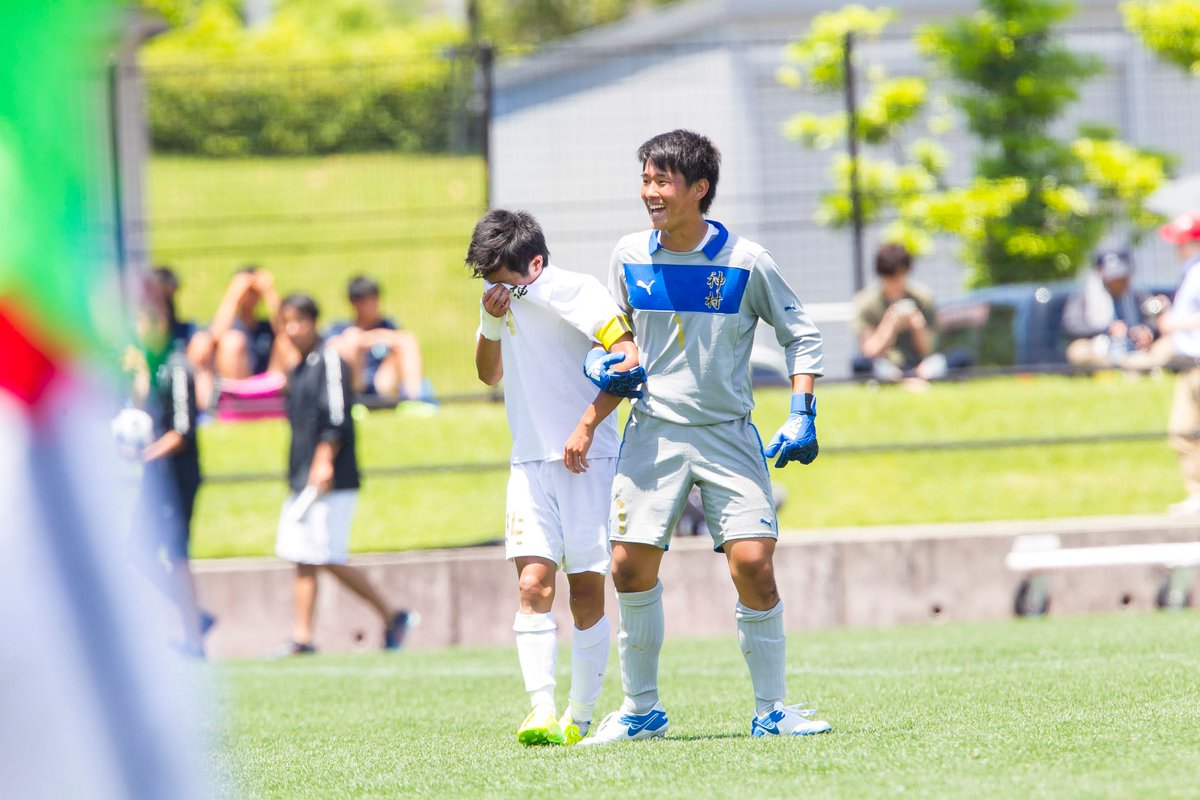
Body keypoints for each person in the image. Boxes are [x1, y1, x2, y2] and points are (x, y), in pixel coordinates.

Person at [579, 129, 832, 745]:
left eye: (662, 181)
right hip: (653, 432)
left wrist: (803, 411)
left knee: (754, 565)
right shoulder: (628, 255)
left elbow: (804, 334)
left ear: (699, 189)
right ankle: (640, 712)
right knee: (628, 568)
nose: (649, 193)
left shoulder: (747, 261)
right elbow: (617, 336)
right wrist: (604, 365)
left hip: (727, 434)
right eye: (645, 179)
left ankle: (773, 710)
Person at [465, 208, 643, 746]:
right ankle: (540, 710)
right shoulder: (497, 302)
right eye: (486, 279)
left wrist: (587, 426)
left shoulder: (579, 292)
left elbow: (628, 357)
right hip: (529, 462)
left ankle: (579, 715)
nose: (495, 289)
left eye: (501, 278)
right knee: (532, 583)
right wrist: (491, 322)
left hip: (588, 460)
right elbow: (487, 373)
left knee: (586, 591)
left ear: (535, 263)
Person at [272, 293, 413, 655]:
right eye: (286, 321)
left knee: (324, 555)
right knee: (301, 554)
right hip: (304, 476)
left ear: (313, 322)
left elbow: (336, 415)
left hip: (330, 477)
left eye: (298, 320)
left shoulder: (329, 361)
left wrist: (324, 460)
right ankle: (302, 637)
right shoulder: (300, 365)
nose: (292, 328)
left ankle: (393, 614)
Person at [127, 275, 212, 657]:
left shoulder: (178, 366)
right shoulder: (155, 367)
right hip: (157, 475)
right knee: (136, 550)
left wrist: (144, 454)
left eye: (142, 325)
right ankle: (195, 616)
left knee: (176, 555)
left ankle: (195, 637)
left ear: (158, 324)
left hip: (177, 477)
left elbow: (182, 430)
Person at [188, 265, 298, 409]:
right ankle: (238, 403)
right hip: (233, 386)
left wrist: (269, 292)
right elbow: (212, 339)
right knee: (231, 341)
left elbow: (289, 331)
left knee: (284, 340)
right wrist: (234, 294)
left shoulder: (268, 326)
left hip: (269, 384)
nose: (250, 298)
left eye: (254, 293)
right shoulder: (228, 325)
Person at [852, 243, 950, 388]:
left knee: (959, 358)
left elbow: (928, 349)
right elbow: (869, 352)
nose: (895, 284)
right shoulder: (867, 302)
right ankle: (904, 380)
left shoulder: (923, 297)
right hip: (887, 366)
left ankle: (912, 379)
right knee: (860, 364)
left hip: (921, 365)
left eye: (900, 276)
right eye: (890, 278)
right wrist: (889, 325)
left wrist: (918, 326)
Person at [326, 275, 431, 407]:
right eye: (367, 301)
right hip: (357, 381)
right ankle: (354, 400)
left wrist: (373, 337)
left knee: (407, 341)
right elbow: (328, 348)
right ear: (354, 303)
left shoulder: (388, 325)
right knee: (352, 339)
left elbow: (401, 341)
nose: (374, 305)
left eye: (375, 299)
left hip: (384, 384)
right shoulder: (339, 327)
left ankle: (415, 400)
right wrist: (363, 340)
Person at [1062, 248, 1173, 373]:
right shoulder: (1085, 295)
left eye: (1122, 277)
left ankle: (1140, 367)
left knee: (1168, 344)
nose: (1118, 282)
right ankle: (1111, 370)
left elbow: (1155, 321)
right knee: (1078, 350)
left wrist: (1147, 331)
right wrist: (1107, 329)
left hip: (1136, 349)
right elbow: (1072, 326)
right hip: (1099, 350)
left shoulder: (1138, 294)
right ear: (1100, 274)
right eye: (1113, 278)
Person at [1155, 213, 1200, 516]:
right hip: (1188, 365)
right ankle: (1196, 494)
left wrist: (1173, 322)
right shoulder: (1190, 273)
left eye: (1182, 243)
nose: (1178, 249)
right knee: (1182, 430)